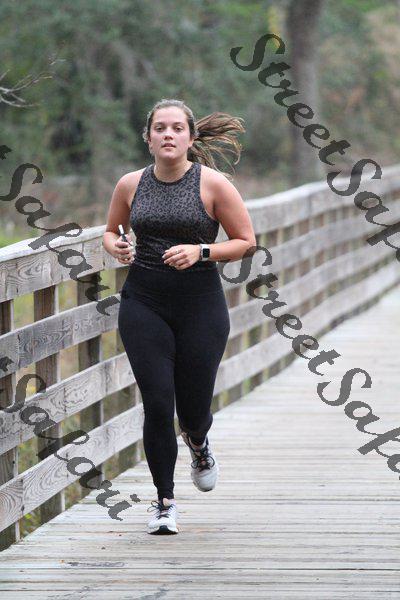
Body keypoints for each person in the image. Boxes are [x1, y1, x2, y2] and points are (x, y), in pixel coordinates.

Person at [103, 98, 256, 535]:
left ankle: (198, 441)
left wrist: (201, 251)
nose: (168, 134)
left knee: (192, 410)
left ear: (190, 137)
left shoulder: (213, 185)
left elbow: (246, 240)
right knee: (157, 402)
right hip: (144, 303)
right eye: (160, 128)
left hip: (200, 307)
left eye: (176, 128)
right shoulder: (130, 184)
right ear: (148, 138)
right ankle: (164, 502)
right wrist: (116, 245)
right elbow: (110, 231)